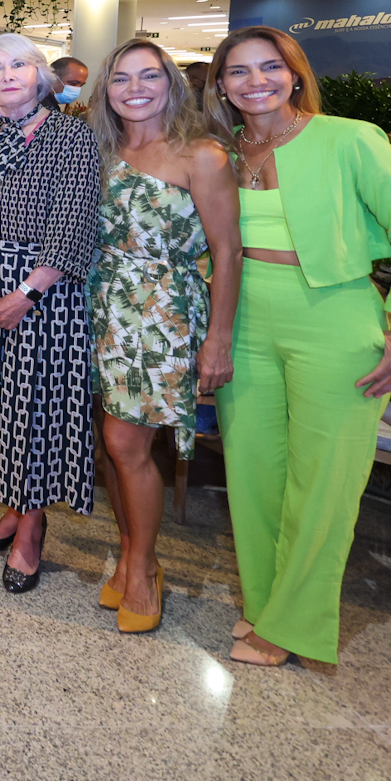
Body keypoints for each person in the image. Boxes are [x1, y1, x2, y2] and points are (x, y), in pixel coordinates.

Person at [208, 26, 391, 668]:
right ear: (221, 85)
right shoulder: (222, 150)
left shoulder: (350, 138)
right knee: (253, 472)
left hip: (335, 318)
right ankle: (264, 606)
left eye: (269, 67)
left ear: (294, 72)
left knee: (325, 483)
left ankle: (296, 626)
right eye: (238, 71)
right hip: (243, 317)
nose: (255, 81)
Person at [87, 40, 240, 634]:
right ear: (107, 89)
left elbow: (228, 252)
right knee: (112, 445)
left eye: (149, 76)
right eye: (122, 78)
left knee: (127, 445)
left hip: (162, 313)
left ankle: (147, 568)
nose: (136, 88)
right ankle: (129, 556)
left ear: (171, 84)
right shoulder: (100, 150)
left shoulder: (201, 155)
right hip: (99, 307)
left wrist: (218, 338)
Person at [0, 33, 102, 594]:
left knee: (35, 409)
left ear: (42, 76)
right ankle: (13, 509)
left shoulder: (72, 138)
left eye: (19, 64)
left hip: (43, 297)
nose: (8, 74)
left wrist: (27, 295)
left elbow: (75, 226)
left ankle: (32, 530)